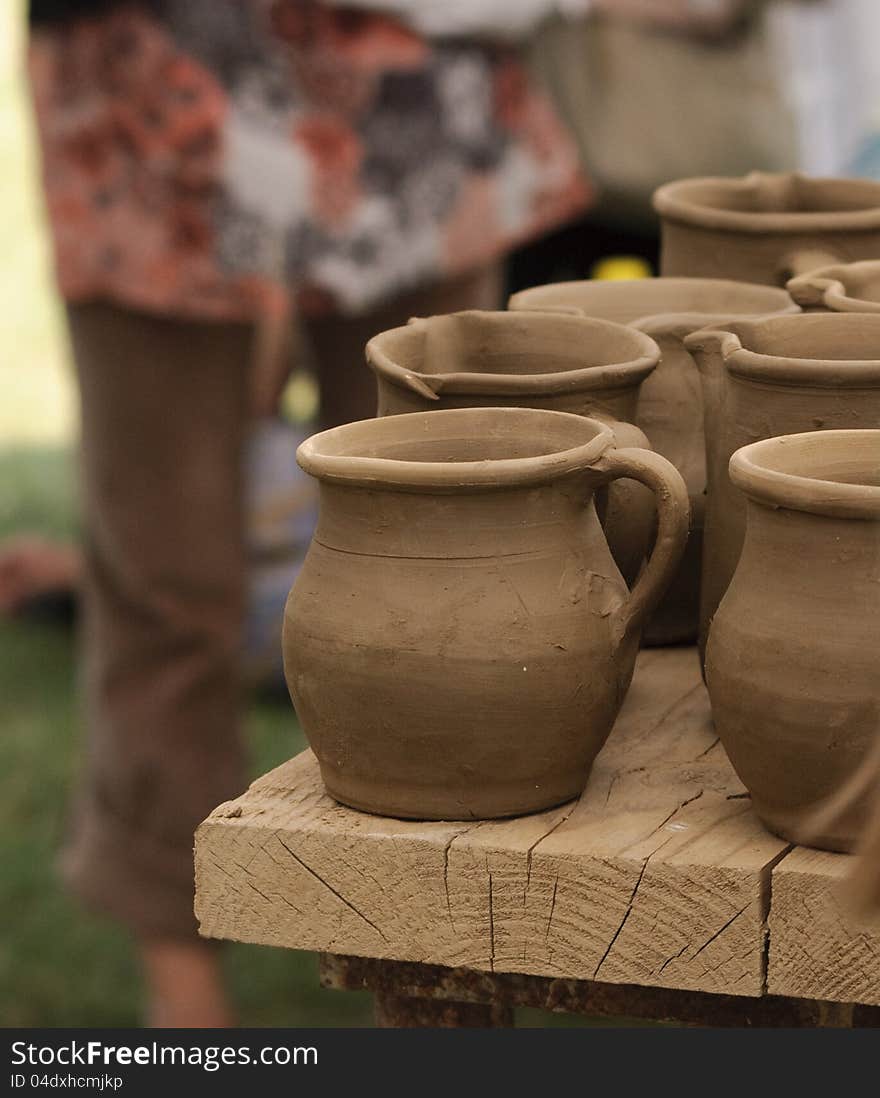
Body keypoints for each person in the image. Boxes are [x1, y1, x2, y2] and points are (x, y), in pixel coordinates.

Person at [25, 0, 589, 1025]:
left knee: (453, 567)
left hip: (406, 60)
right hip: (149, 67)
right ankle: (186, 1007)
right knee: (162, 577)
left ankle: (433, 972)